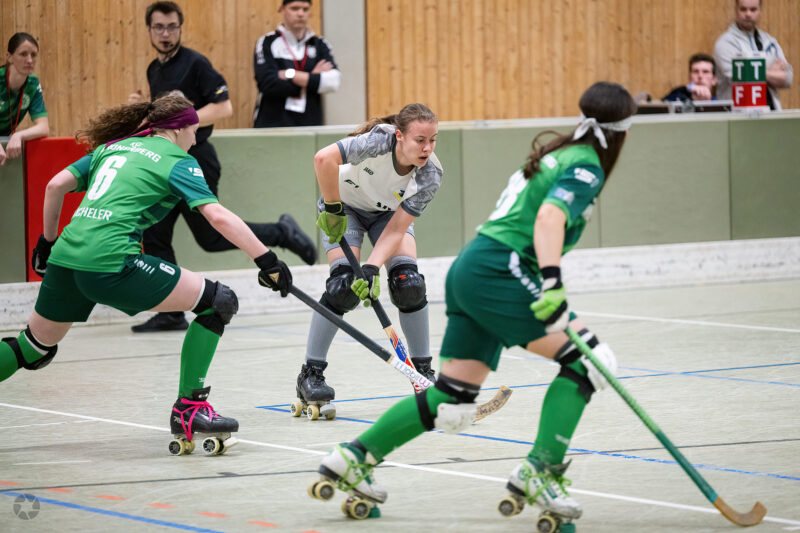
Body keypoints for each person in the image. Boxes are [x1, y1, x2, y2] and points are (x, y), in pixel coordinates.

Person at [312, 82, 636, 526]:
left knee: (452, 400)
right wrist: (552, 283)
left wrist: (372, 265)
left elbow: (401, 228)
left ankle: (353, 458)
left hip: (473, 267)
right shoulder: (585, 165)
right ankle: (541, 470)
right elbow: (549, 217)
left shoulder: (557, 152)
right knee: (591, 362)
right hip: (500, 272)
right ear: (623, 131)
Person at [0, 93, 293, 452]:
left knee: (32, 347)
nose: (195, 141)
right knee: (218, 302)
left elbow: (55, 185)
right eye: (194, 132)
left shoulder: (113, 147)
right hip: (110, 261)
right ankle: (189, 409)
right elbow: (216, 216)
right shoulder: (178, 161)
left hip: (65, 257)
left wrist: (46, 244)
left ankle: (189, 409)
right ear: (179, 128)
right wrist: (267, 260)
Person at [129, 1, 316, 332]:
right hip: (166, 161)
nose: (165, 34)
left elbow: (223, 107)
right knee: (155, 233)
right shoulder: (154, 70)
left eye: (171, 27)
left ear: (180, 28)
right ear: (149, 30)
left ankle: (281, 232)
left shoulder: (196, 64)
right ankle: (171, 311)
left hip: (196, 159)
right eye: (159, 27)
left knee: (211, 238)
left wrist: (176, 122)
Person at [297, 103, 442, 415]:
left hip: (388, 216)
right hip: (344, 207)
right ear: (400, 136)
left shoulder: (430, 175)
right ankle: (310, 374)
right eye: (420, 140)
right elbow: (324, 158)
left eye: (432, 140)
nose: (427, 148)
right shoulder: (378, 142)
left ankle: (423, 374)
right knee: (343, 287)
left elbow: (396, 229)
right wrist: (333, 208)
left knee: (408, 284)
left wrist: (372, 267)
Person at [253, 0, 341, 128]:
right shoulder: (267, 42)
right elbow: (267, 83)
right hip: (272, 124)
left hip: (310, 124)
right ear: (282, 9)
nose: (300, 14)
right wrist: (313, 77)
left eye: (305, 9)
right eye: (294, 8)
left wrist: (289, 74)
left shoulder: (320, 44)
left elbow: (333, 82)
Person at [714, 0, 793, 110]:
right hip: (737, 114)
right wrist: (771, 71)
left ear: (760, 10)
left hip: (771, 112)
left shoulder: (770, 41)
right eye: (743, 9)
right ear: (736, 10)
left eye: (753, 10)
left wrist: (751, 69)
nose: (748, 14)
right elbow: (739, 77)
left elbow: (788, 78)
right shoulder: (725, 43)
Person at [0, 32, 49, 165]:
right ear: (9, 57)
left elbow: (43, 127)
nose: (29, 60)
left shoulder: (32, 84)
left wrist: (19, 135)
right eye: (23, 54)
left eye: (33, 55)